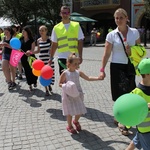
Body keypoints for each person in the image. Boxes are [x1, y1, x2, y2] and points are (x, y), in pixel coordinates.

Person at [99, 8, 141, 135]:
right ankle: (121, 120)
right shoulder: (111, 35)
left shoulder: (134, 32)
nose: (118, 20)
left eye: (121, 17)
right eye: (116, 18)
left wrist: (132, 51)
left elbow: (140, 50)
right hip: (117, 67)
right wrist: (102, 69)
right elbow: (106, 54)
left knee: (130, 92)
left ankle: (125, 116)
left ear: (127, 17)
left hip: (130, 66)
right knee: (119, 94)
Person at [59, 53, 102, 134]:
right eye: (75, 64)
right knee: (69, 112)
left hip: (78, 94)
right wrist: (67, 86)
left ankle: (75, 121)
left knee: (80, 110)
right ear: (69, 64)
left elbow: (88, 78)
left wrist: (98, 78)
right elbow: (60, 84)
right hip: (68, 95)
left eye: (77, 64)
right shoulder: (65, 73)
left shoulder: (78, 72)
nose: (77, 65)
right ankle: (69, 125)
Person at [50, 5, 84, 75]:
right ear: (60, 14)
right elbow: (54, 44)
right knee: (64, 78)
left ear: (69, 14)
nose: (65, 15)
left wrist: (80, 56)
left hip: (74, 57)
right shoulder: (56, 28)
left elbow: (80, 42)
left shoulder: (76, 25)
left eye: (67, 13)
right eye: (63, 13)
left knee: (73, 77)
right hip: (62, 56)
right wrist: (51, 57)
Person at [126, 58, 150, 150]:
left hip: (145, 130)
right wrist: (145, 106)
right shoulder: (136, 93)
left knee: (134, 142)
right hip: (145, 129)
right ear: (148, 74)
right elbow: (129, 111)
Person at [27, 25, 55, 96]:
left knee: (49, 74)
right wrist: (31, 52)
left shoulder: (50, 39)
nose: (41, 32)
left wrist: (51, 57)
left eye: (43, 30)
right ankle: (46, 90)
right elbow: (38, 50)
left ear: (46, 31)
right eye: (40, 30)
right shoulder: (38, 40)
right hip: (42, 60)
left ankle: (49, 85)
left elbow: (53, 49)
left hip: (49, 60)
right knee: (43, 74)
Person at [20, 26, 38, 91]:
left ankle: (35, 81)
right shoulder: (20, 39)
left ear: (27, 32)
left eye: (24, 31)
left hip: (31, 57)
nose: (22, 32)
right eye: (22, 31)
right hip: (23, 58)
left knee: (33, 71)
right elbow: (19, 48)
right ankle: (29, 84)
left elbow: (33, 49)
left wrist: (30, 52)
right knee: (27, 71)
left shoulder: (31, 40)